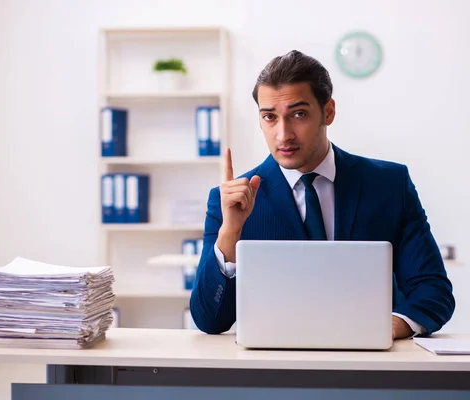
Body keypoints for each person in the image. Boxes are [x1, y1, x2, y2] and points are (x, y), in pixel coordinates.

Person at [189, 50, 455, 339]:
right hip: (273, 368)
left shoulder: (389, 184)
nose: (283, 135)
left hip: (372, 365)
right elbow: (209, 320)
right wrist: (230, 232)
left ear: (328, 112)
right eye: (270, 117)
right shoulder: (230, 201)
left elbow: (433, 289)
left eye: (299, 114)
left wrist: (395, 325)